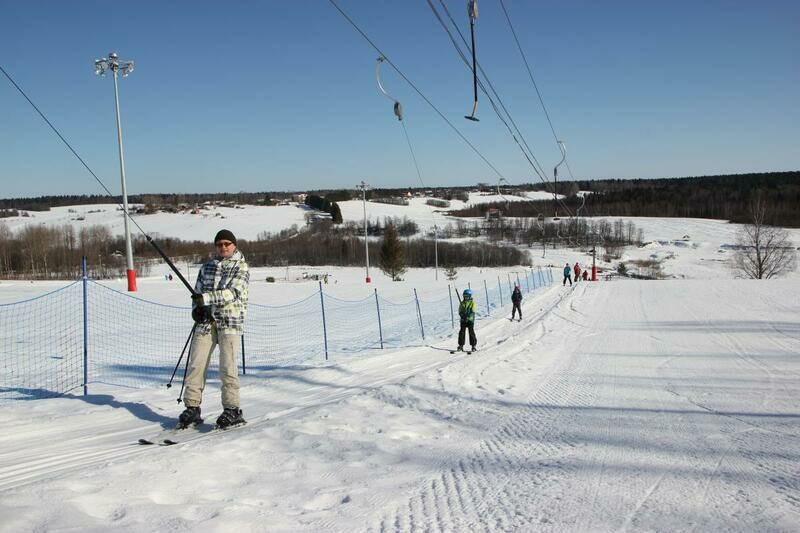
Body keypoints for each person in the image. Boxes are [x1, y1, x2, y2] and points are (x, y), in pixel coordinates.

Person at [179, 229, 250, 430]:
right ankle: (192, 407)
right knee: (196, 364)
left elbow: (232, 293)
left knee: (227, 367)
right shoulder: (207, 267)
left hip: (230, 321)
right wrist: (197, 310)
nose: (223, 247)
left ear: (234, 245)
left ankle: (232, 409)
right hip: (206, 322)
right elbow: (197, 293)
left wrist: (206, 299)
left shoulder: (241, 267)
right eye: (220, 244)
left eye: (227, 243)